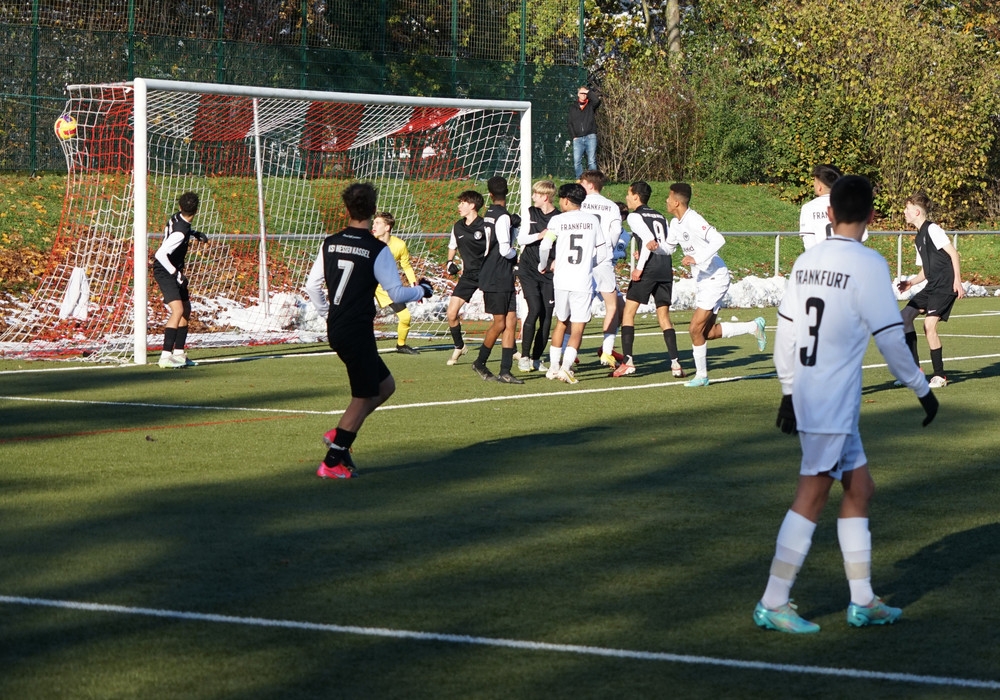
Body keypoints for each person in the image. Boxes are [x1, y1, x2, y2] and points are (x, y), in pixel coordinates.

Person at [754, 175, 939, 634]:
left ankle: (863, 601)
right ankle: (773, 601)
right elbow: (891, 338)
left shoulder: (807, 259)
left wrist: (788, 389)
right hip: (831, 398)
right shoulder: (869, 264)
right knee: (812, 494)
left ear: (829, 214)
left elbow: (787, 333)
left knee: (860, 489)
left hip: (817, 394)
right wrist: (921, 388)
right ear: (873, 217)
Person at [305, 183, 433, 479]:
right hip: (356, 328)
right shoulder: (377, 248)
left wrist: (329, 313)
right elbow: (397, 293)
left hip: (339, 326)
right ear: (373, 210)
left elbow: (312, 287)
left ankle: (339, 433)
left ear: (346, 209)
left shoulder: (330, 242)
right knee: (363, 397)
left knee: (385, 387)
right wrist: (422, 290)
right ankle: (332, 462)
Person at [662, 183, 766, 387]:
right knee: (706, 332)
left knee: (694, 329)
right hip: (703, 280)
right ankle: (754, 326)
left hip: (715, 277)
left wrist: (697, 258)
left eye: (668, 197)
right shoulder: (675, 224)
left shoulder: (693, 219)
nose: (666, 200)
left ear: (676, 202)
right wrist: (654, 249)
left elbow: (718, 240)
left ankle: (702, 376)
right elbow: (668, 248)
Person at [613, 181, 685, 378]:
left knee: (628, 313)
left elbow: (648, 242)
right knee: (664, 317)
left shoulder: (636, 216)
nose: (627, 197)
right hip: (664, 267)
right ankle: (676, 364)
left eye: (629, 194)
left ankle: (628, 361)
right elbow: (662, 245)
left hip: (649, 269)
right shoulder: (660, 216)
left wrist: (639, 267)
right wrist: (646, 255)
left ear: (636, 196)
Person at [537, 183, 604, 384]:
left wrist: (543, 264)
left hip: (561, 281)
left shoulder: (557, 220)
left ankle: (554, 367)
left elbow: (545, 245)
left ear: (566, 200)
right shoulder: (592, 220)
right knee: (578, 327)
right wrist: (588, 264)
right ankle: (566, 368)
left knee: (561, 323)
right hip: (582, 281)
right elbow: (601, 252)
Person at [897, 192, 964, 388]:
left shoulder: (933, 229)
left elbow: (954, 254)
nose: (904, 212)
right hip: (932, 285)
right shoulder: (919, 237)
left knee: (929, 326)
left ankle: (940, 376)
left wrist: (957, 281)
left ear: (916, 211)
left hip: (945, 285)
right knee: (904, 318)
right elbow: (926, 271)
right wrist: (911, 283)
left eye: (907, 209)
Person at [471, 176, 524, 384]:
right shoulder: (503, 216)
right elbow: (504, 248)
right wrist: (516, 256)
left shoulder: (489, 214)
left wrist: (514, 227)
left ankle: (505, 370)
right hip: (497, 274)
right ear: (507, 192)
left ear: (490, 194)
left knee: (511, 321)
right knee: (500, 323)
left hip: (499, 274)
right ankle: (480, 362)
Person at [152, 191, 208, 369]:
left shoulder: (177, 218)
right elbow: (160, 254)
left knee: (186, 309)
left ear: (180, 207)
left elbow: (181, 229)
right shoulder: (180, 234)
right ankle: (165, 356)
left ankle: (179, 354)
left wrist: (195, 233)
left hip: (174, 270)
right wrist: (176, 274)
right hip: (165, 270)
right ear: (197, 210)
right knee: (177, 310)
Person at [579, 170, 624, 368]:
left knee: (578, 307)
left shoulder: (578, 203)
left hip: (581, 261)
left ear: (589, 184)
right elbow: (616, 230)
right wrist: (608, 249)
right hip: (603, 260)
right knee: (612, 305)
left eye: (581, 182)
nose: (579, 185)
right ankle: (606, 352)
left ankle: (566, 351)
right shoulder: (612, 206)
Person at [515, 180, 559, 373]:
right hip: (528, 269)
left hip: (549, 271)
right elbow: (521, 238)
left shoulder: (559, 217)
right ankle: (524, 356)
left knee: (547, 316)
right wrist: (538, 236)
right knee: (534, 309)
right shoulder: (530, 213)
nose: (533, 197)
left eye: (536, 194)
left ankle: (536, 358)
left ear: (545, 197)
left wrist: (556, 262)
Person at [444, 190, 487, 366]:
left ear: (472, 205)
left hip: (487, 273)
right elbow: (452, 246)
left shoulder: (486, 225)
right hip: (468, 275)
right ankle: (459, 346)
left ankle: (513, 351)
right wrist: (449, 262)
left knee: (500, 314)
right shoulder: (457, 226)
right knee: (451, 313)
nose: (459, 206)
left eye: (462, 203)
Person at [371, 211, 421, 355]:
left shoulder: (399, 245)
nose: (373, 225)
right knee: (360, 316)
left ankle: (401, 345)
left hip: (385, 286)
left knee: (405, 317)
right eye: (374, 222)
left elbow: (406, 265)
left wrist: (413, 283)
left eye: (377, 223)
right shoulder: (368, 242)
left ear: (387, 227)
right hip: (366, 285)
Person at [798, 164, 841, 250]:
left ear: (819, 187)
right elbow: (862, 238)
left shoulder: (808, 208)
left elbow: (809, 243)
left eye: (814, 181)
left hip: (820, 260)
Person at [569, 85, 601, 178]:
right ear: (578, 94)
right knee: (577, 161)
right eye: (581, 93)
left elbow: (597, 101)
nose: (583, 95)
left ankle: (594, 180)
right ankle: (580, 179)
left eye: (585, 93)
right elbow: (570, 123)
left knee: (591, 160)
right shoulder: (573, 108)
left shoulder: (590, 105)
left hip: (590, 136)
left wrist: (589, 92)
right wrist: (574, 136)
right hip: (577, 138)